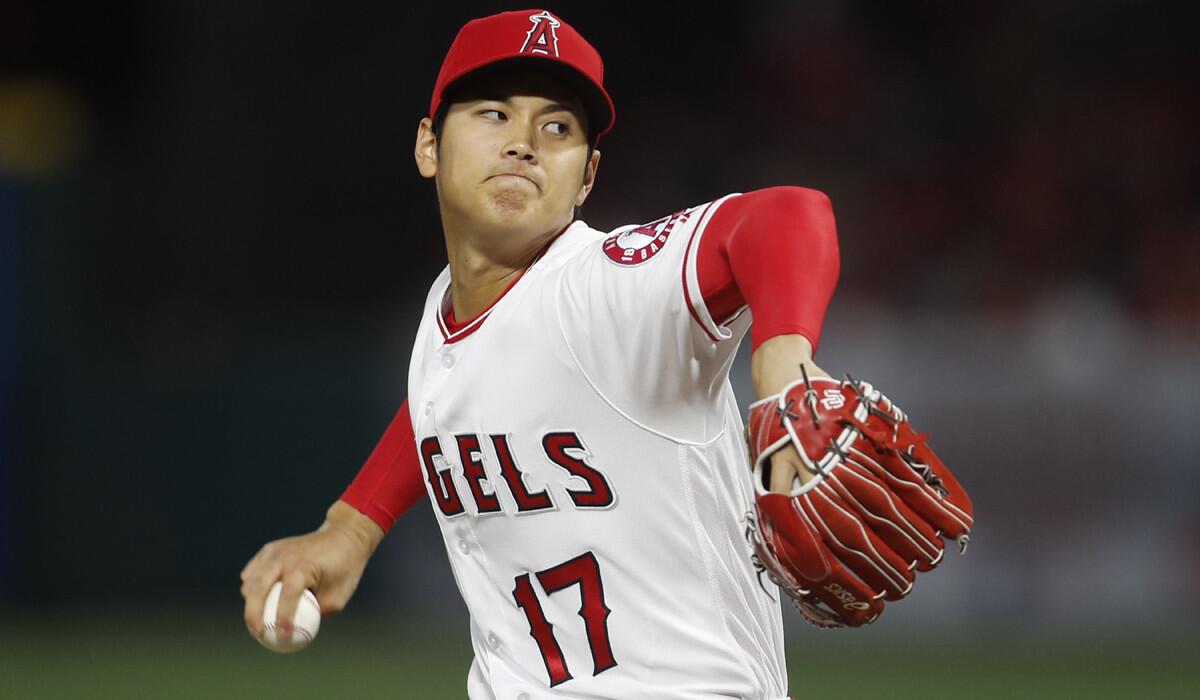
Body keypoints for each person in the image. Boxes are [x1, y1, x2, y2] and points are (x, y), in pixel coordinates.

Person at [240, 9, 843, 698]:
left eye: (556, 127)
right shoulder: (451, 312)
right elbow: (453, 395)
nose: (524, 143)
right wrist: (350, 528)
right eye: (494, 113)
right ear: (428, 146)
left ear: (586, 178)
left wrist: (781, 361)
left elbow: (785, 214)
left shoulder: (605, 286)